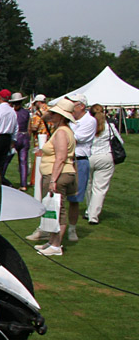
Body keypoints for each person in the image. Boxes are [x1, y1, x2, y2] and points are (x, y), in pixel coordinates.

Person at [28, 98, 77, 256]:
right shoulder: (61, 130)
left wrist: (54, 180)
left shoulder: (62, 132)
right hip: (56, 172)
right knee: (53, 209)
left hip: (58, 174)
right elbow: (45, 118)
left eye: (56, 113)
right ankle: (52, 241)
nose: (52, 116)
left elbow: (61, 157)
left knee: (58, 210)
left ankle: (56, 245)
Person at [65, 92, 96, 243]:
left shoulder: (90, 121)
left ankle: (72, 228)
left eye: (74, 105)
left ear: (81, 106)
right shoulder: (70, 121)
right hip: (66, 159)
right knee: (56, 194)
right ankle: (52, 227)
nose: (71, 108)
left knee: (74, 198)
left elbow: (75, 139)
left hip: (79, 160)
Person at [86, 104, 119, 225]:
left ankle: (89, 211)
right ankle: (93, 215)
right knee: (99, 188)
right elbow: (119, 141)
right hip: (105, 156)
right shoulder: (109, 127)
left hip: (89, 156)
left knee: (88, 186)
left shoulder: (88, 126)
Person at [9, 93, 31, 190]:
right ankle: (23, 184)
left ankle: (1, 178)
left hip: (15, 136)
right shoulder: (26, 113)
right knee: (23, 161)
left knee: (7, 159)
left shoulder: (12, 112)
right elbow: (29, 127)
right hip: (25, 135)